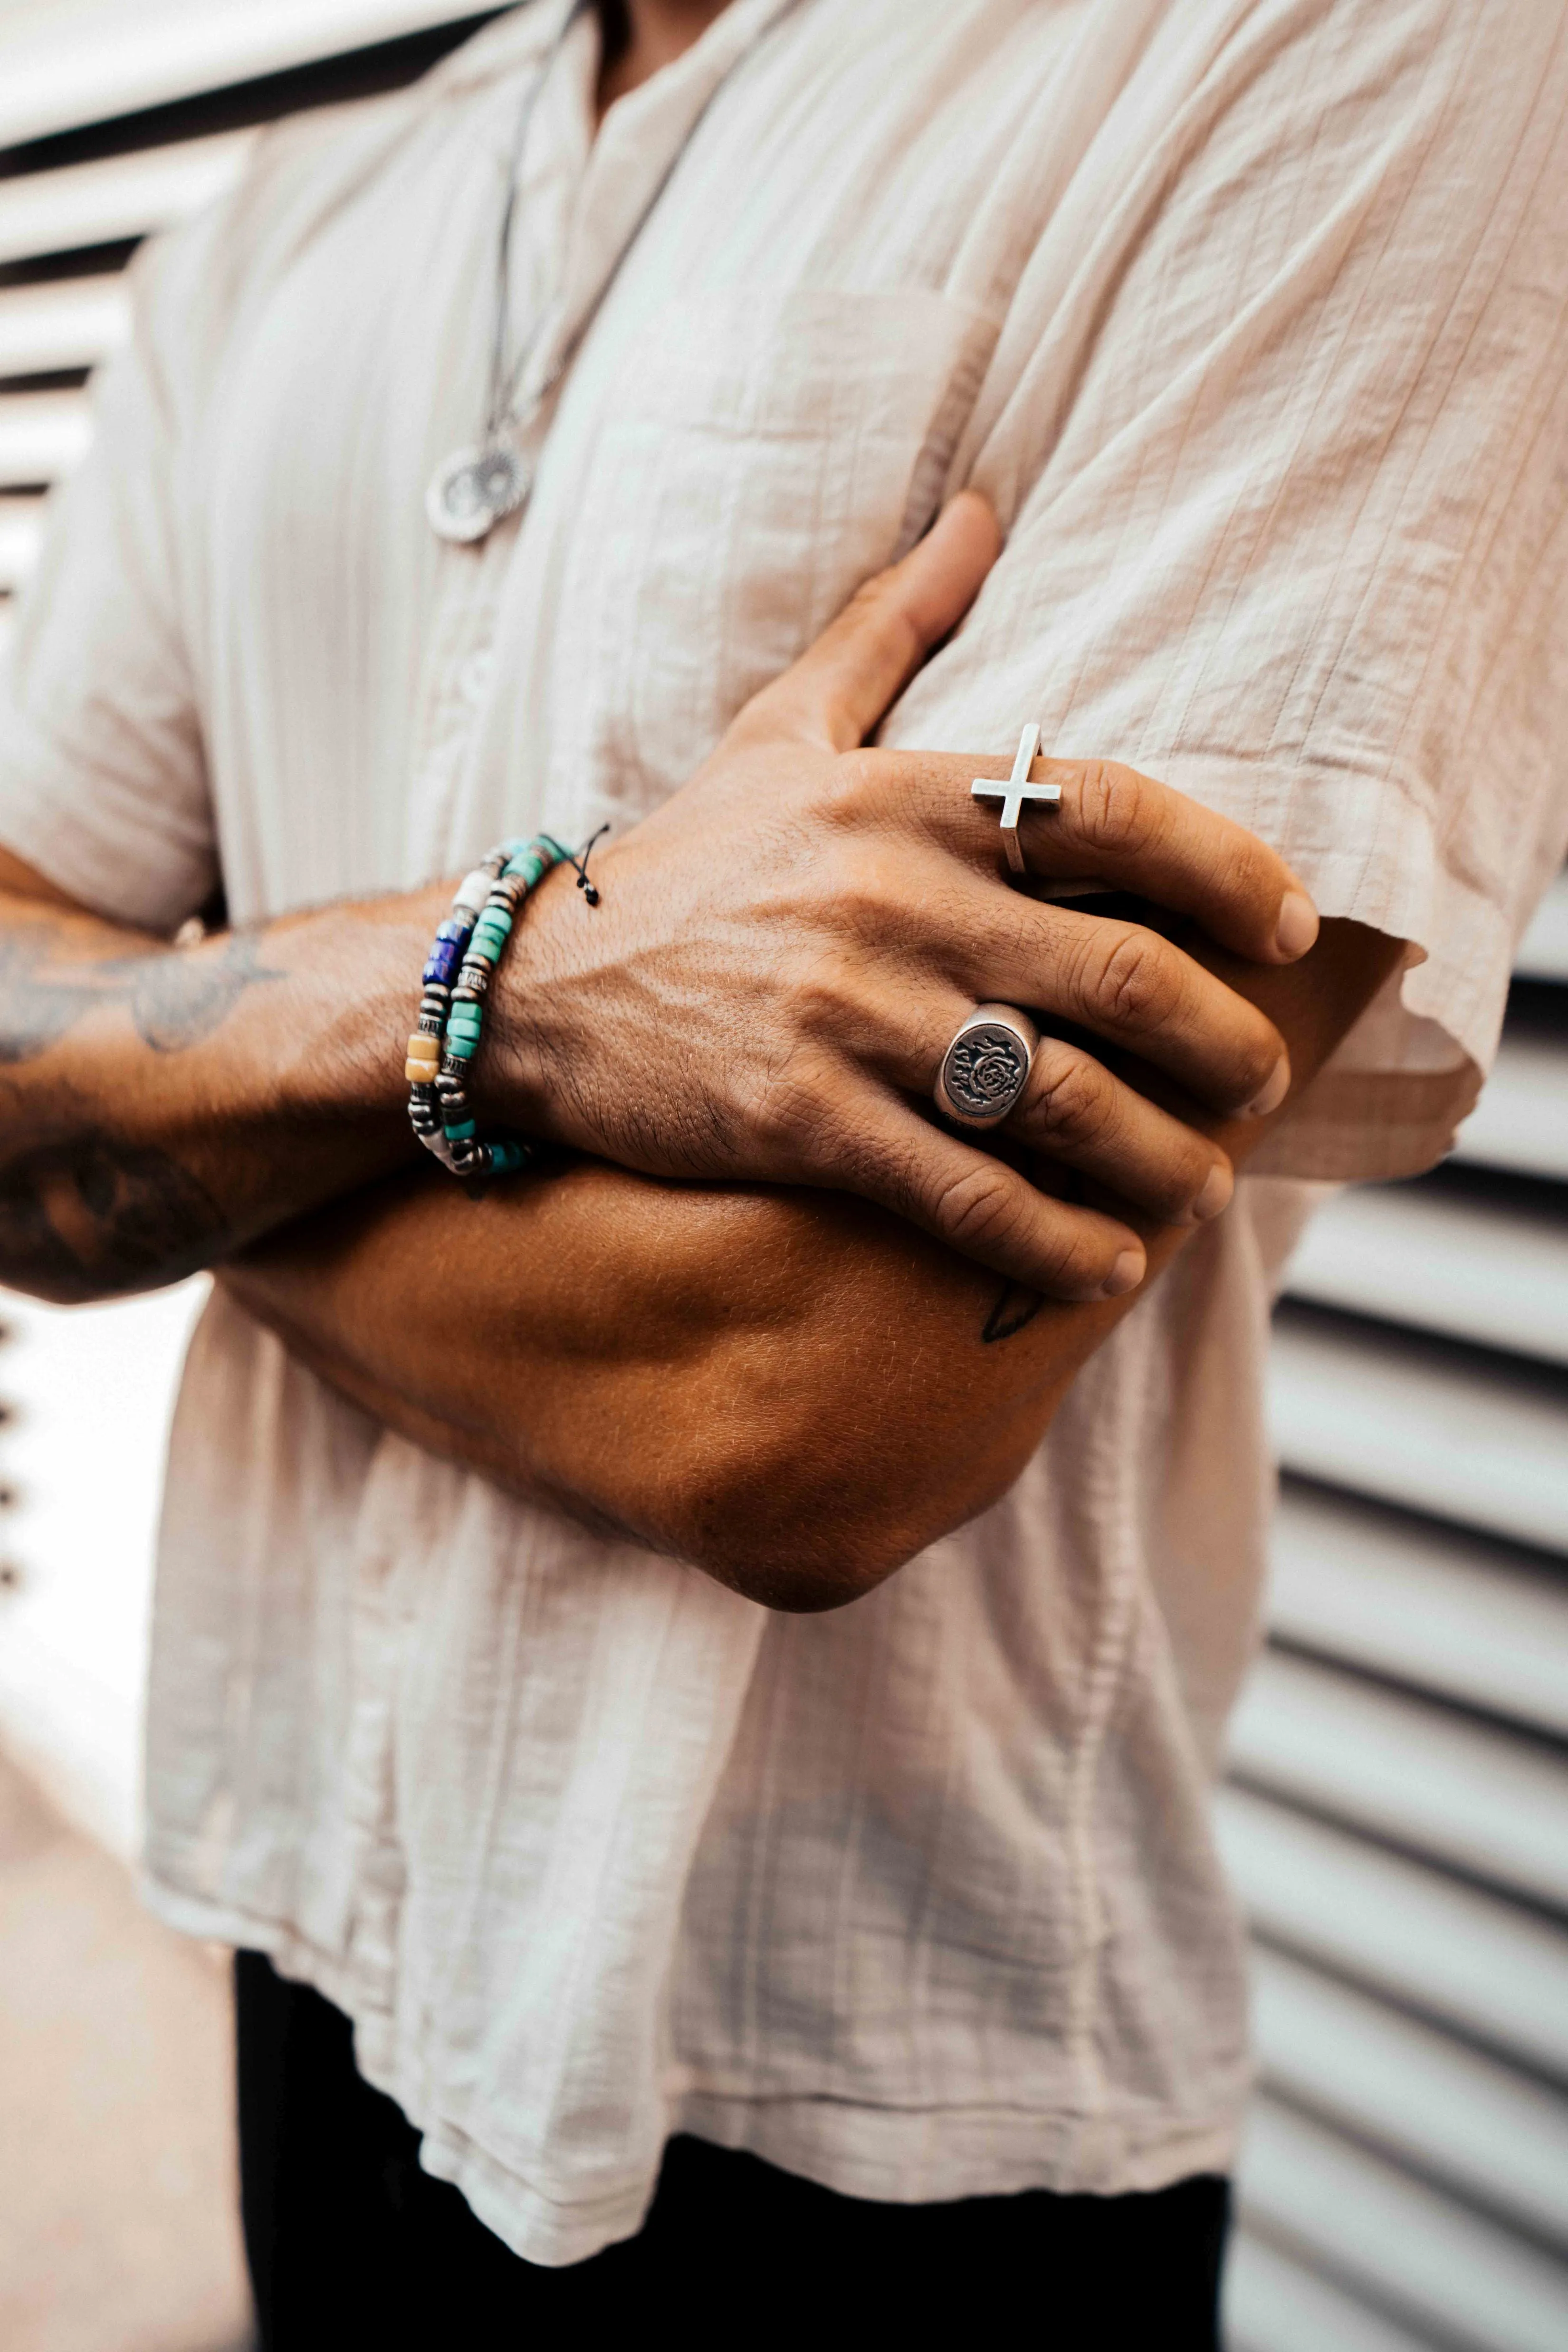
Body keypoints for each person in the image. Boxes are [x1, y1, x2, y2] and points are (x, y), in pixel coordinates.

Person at [0, 0, 1564, 2340]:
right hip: (307, 1946)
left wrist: (198, 1103)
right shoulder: (273, 240)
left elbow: (803, 1403)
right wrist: (522, 978)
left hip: (873, 2142)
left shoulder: (1346, 52)